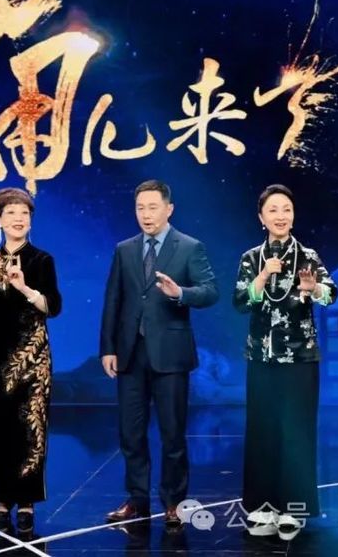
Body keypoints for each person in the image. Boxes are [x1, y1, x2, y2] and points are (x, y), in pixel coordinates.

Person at [99, 179, 219, 527]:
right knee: (130, 433)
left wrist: (180, 292)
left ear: (169, 209)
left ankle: (173, 501)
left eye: (153, 207)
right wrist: (108, 348)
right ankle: (136, 500)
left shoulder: (190, 247)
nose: (146, 214)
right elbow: (113, 300)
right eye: (140, 208)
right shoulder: (124, 249)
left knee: (172, 434)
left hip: (170, 354)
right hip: (130, 354)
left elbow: (210, 291)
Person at [232, 184, 337, 539]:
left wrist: (313, 289)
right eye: (273, 210)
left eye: (286, 209)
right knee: (262, 431)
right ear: (261, 218)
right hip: (261, 356)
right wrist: (263, 275)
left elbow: (331, 294)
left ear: (294, 216)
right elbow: (240, 302)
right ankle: (263, 507)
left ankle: (295, 507)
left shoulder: (308, 255)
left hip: (300, 358)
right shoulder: (251, 258)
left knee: (297, 431)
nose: (281, 216)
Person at [0, 187, 62, 533]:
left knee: (29, 425)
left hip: (32, 357)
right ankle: (1, 499)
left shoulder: (42, 260)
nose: (18, 219)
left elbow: (53, 306)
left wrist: (25, 288)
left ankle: (26, 501)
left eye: (24, 213)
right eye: (10, 213)